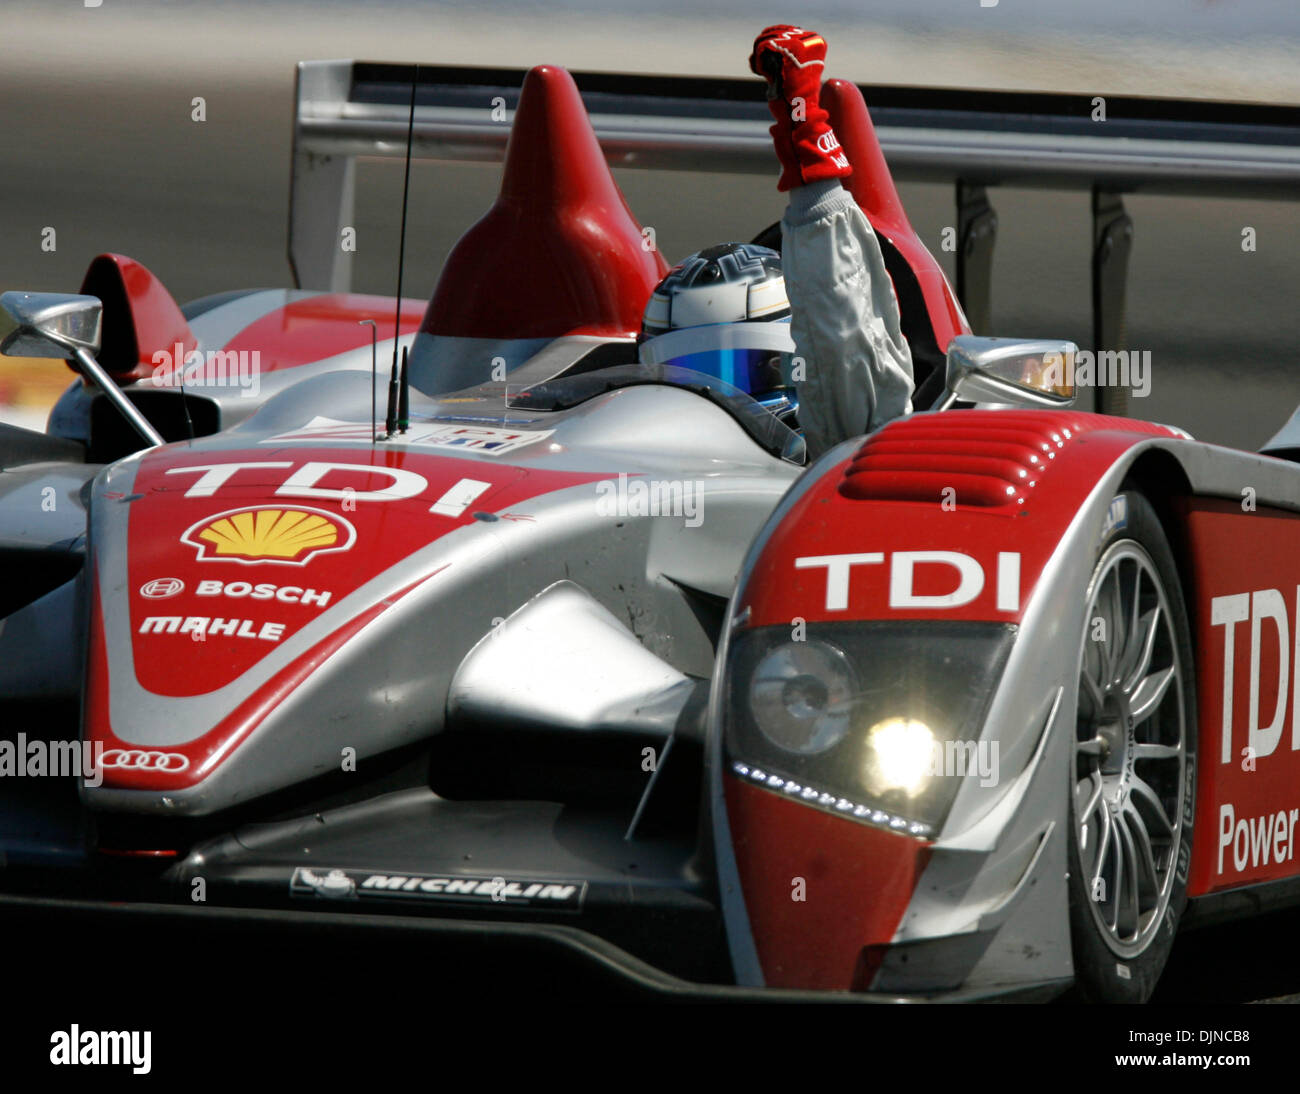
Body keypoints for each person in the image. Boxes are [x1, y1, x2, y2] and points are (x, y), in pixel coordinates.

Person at [636, 25, 914, 461]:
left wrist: (811, 164)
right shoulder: (633, 470)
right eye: (689, 377)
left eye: (740, 371)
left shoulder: (835, 467)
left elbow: (840, 337)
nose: (718, 400)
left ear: (799, 364)